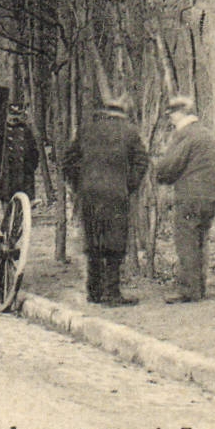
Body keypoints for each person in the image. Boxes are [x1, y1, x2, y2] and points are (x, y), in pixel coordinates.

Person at [62, 97, 148, 306]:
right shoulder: (129, 132)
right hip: (115, 196)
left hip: (89, 195)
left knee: (93, 243)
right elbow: (141, 161)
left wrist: (79, 185)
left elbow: (68, 162)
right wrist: (128, 185)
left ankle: (93, 291)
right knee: (115, 243)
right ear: (122, 113)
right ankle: (111, 293)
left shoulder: (87, 130)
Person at [154, 94, 215, 303]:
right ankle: (198, 288)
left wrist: (159, 169)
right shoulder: (208, 135)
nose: (171, 120)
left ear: (181, 114)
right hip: (209, 196)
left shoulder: (184, 135)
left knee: (186, 242)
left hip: (189, 197)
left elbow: (168, 167)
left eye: (172, 115)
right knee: (200, 242)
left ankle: (189, 291)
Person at [0, 103, 41, 204]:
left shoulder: (26, 130)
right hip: (7, 172)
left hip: (23, 171)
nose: (14, 119)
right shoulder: (2, 130)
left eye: (17, 116)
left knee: (24, 199)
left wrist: (31, 167)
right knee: (6, 198)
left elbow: (33, 150)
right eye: (12, 116)